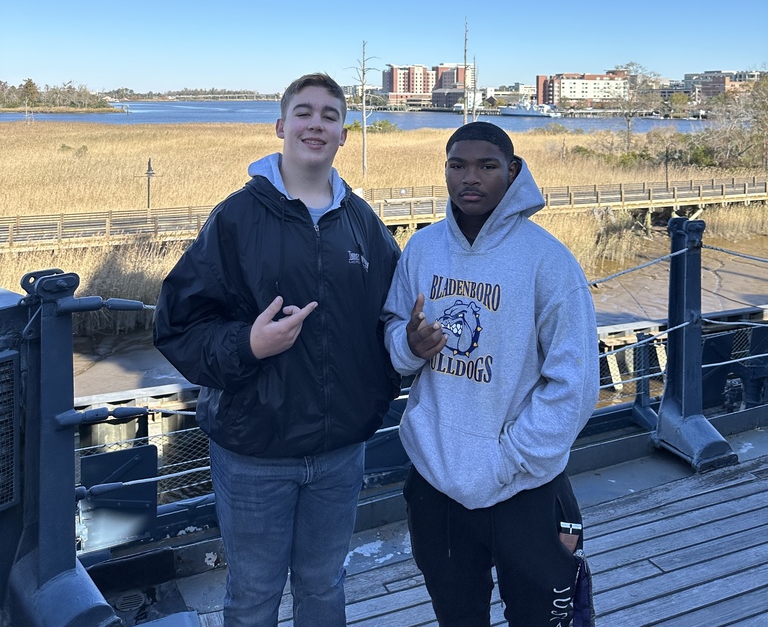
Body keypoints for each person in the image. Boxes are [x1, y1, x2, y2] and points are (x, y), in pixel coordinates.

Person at [154, 73, 400, 627]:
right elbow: (177, 327)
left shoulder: (362, 224)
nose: (317, 124)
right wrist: (249, 343)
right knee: (254, 595)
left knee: (323, 587)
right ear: (281, 126)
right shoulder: (237, 218)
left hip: (340, 453)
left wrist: (395, 368)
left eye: (330, 115)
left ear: (343, 132)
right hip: (254, 454)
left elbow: (392, 317)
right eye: (305, 112)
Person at [383, 121, 599, 627]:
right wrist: (408, 346)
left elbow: (575, 384)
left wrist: (508, 460)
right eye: (457, 165)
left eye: (487, 165)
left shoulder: (548, 260)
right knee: (456, 616)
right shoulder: (423, 248)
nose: (469, 178)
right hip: (435, 482)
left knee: (540, 619)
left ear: (513, 172)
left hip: (523, 487)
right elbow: (394, 334)